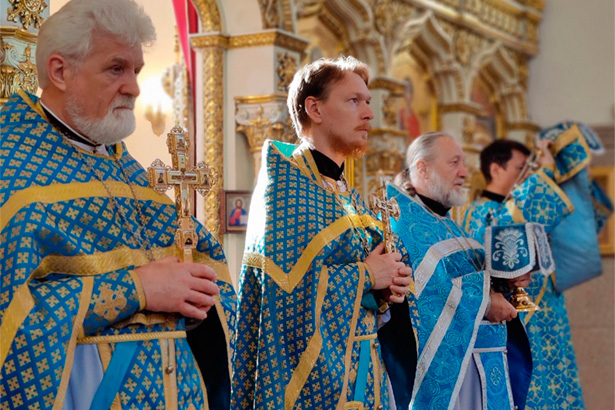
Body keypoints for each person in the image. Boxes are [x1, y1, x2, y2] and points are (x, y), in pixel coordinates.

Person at [0, 1, 236, 409]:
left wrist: (199, 297)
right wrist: (137, 288)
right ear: (60, 71)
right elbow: (13, 316)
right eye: (116, 68)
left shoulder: (126, 171)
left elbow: (208, 282)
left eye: (136, 70)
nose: (134, 87)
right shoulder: (10, 166)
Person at [231, 56, 416, 410]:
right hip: (312, 389)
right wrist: (366, 275)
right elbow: (284, 298)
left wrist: (389, 284)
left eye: (368, 102)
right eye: (353, 101)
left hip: (363, 375)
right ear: (314, 108)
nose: (368, 114)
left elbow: (367, 287)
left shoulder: (345, 195)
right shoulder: (285, 188)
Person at [388, 132, 533, 410]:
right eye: (454, 162)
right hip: (456, 379)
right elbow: (425, 293)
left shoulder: (445, 220)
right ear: (422, 168)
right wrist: (487, 302)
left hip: (484, 363)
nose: (465, 173)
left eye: (463, 163)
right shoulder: (404, 222)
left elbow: (470, 275)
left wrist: (507, 281)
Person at [462, 138, 584, 409]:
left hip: (545, 323)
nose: (527, 175)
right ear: (496, 169)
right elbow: (512, 224)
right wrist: (545, 173)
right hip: (519, 327)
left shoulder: (508, 206)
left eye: (530, 170)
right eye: (521, 168)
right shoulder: (482, 212)